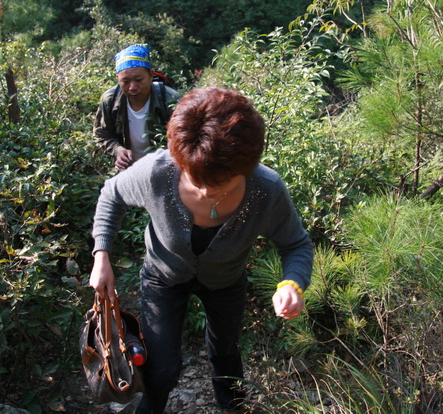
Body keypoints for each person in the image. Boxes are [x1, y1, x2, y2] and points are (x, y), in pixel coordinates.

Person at [89, 87, 314, 414]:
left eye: (221, 183)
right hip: (163, 277)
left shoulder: (266, 190)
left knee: (226, 354)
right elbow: (112, 195)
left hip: (226, 282)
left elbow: (295, 243)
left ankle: (232, 406)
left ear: (246, 167)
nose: (207, 191)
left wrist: (292, 283)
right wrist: (102, 255)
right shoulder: (158, 172)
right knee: (162, 368)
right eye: (196, 180)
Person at [93, 44, 181, 171]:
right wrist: (118, 151)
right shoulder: (110, 100)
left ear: (151, 76)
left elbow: (186, 138)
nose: (132, 87)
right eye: (126, 81)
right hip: (129, 172)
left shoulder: (170, 99)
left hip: (166, 170)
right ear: (118, 79)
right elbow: (102, 134)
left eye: (139, 80)